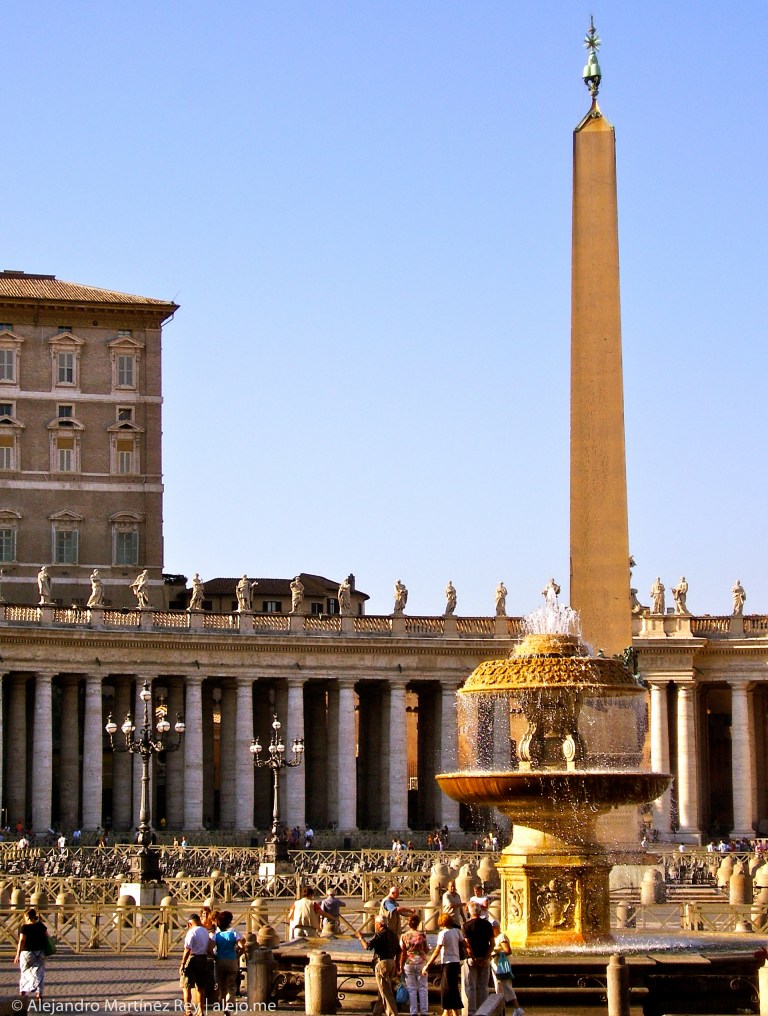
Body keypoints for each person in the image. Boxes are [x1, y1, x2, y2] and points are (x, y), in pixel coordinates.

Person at [356, 916, 401, 1016]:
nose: (374, 925)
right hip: (391, 962)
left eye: (375, 923)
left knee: (386, 991)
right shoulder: (393, 934)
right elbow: (399, 951)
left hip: (382, 964)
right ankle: (376, 1013)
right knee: (382, 991)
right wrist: (397, 965)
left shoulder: (380, 935)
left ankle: (393, 1014)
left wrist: (360, 937)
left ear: (380, 924)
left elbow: (367, 946)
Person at [422, 913, 464, 1016]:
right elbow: (464, 944)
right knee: (453, 987)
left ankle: (447, 1010)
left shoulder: (443, 933)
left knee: (446, 988)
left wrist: (428, 964)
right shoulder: (456, 932)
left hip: (447, 963)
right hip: (456, 962)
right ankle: (453, 1012)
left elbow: (437, 951)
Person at [462, 902, 495, 1016]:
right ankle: (484, 1011)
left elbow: (468, 945)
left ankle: (472, 1011)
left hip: (472, 959)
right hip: (484, 957)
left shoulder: (466, 926)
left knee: (471, 986)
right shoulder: (487, 925)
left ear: (470, 912)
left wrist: (473, 958)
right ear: (480, 911)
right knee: (483, 987)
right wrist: (486, 958)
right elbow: (492, 943)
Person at [180, 913, 213, 1015]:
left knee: (186, 986)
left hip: (192, 958)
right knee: (200, 986)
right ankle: (201, 1011)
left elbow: (187, 949)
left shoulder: (191, 932)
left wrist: (182, 963)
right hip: (203, 958)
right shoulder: (205, 931)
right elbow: (209, 946)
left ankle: (188, 1011)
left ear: (189, 924)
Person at [14, 906, 49, 1000]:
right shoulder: (41, 926)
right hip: (40, 952)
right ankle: (39, 994)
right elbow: (47, 937)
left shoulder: (25, 927)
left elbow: (22, 941)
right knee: (39, 973)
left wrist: (17, 954)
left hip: (27, 953)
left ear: (27, 916)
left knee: (24, 972)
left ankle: (23, 993)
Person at [490, 921, 523, 1016]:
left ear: (497, 928)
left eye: (492, 928)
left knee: (507, 987)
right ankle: (501, 1009)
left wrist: (496, 952)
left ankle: (517, 1008)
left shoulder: (501, 937)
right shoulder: (495, 938)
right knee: (499, 987)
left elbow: (508, 950)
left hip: (502, 965)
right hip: (496, 965)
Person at [400, 913, 429, 1016]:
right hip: (421, 962)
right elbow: (426, 949)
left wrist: (400, 966)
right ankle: (424, 1011)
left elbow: (402, 952)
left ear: (409, 923)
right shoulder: (422, 935)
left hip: (409, 962)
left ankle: (413, 1012)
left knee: (411, 989)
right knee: (423, 988)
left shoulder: (404, 936)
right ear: (418, 923)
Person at [213, 910, 244, 1007]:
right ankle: (230, 1001)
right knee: (231, 982)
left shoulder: (217, 935)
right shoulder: (233, 932)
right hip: (232, 960)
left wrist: (214, 956)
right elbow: (242, 946)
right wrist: (237, 955)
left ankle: (222, 1002)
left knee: (221, 984)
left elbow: (209, 948)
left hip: (220, 960)